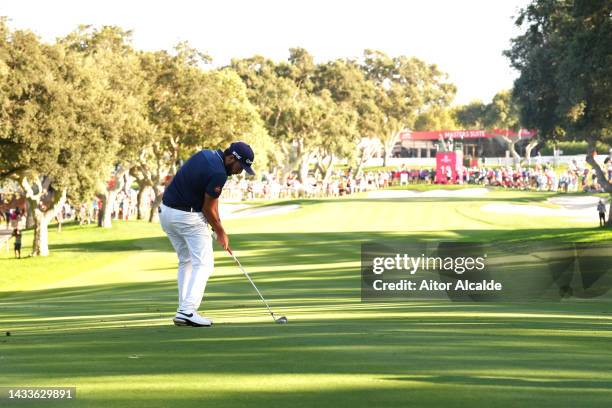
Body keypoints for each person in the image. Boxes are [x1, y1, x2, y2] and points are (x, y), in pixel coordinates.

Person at [159, 141, 255, 328]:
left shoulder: (206, 155)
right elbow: (207, 207)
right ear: (231, 158)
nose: (240, 171)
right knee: (204, 264)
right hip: (187, 216)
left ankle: (183, 309)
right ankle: (187, 310)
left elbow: (211, 200)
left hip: (166, 213)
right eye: (240, 166)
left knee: (186, 261)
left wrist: (217, 226)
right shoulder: (219, 173)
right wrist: (220, 232)